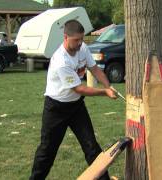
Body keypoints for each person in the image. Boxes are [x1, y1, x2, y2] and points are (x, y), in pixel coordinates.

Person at [29, 20, 117, 180]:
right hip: (56, 108)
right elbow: (79, 88)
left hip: (76, 107)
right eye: (76, 40)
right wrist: (105, 92)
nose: (80, 43)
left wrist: (108, 86)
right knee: (47, 151)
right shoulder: (60, 60)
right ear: (65, 37)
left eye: (82, 39)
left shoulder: (82, 48)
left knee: (91, 147)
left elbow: (95, 68)